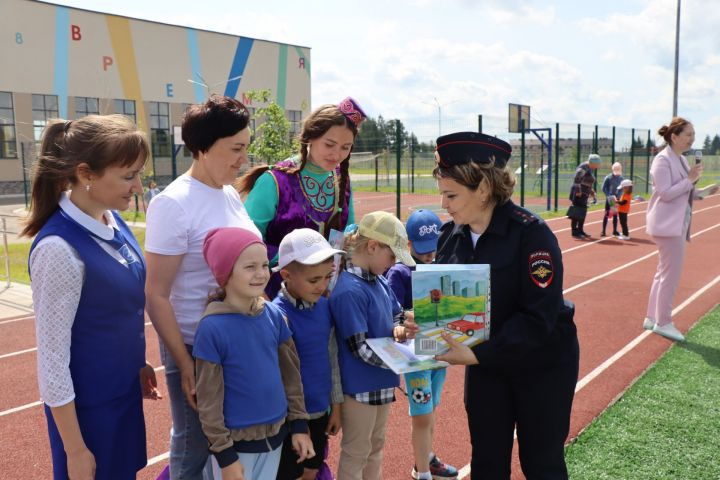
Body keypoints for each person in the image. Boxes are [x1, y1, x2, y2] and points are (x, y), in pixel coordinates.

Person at [431, 132, 580, 479]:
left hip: (542, 364)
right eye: (442, 193)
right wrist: (417, 321)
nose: (444, 204)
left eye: (451, 194)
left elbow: (538, 317)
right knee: (487, 462)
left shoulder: (532, 234)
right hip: (487, 364)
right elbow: (444, 303)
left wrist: (477, 353)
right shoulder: (449, 235)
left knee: (542, 463)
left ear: (483, 189)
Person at [23, 115, 161, 479]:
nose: (138, 185)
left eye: (139, 173)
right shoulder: (59, 250)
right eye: (128, 175)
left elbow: (115, 311)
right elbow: (52, 362)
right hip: (88, 418)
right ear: (86, 174)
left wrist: (137, 363)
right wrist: (75, 449)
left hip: (122, 398)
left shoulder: (112, 219)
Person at [144, 95, 261, 479]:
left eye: (246, 148)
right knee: (194, 445)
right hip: (196, 344)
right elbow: (156, 294)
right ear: (203, 147)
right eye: (235, 149)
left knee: (236, 441)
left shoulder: (227, 192)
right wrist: (184, 363)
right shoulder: (173, 204)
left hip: (242, 336)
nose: (243, 159)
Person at [195, 227, 314, 480]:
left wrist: (300, 426)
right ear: (225, 273)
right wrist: (225, 456)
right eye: (250, 267)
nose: (261, 274)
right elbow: (209, 401)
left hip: (276, 439)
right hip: (236, 451)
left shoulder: (273, 316)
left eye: (264, 265)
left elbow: (292, 378)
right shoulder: (211, 329)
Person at [237, 97, 366, 298]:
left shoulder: (342, 180)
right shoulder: (274, 181)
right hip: (277, 296)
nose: (336, 154)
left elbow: (346, 233)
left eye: (345, 147)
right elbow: (246, 241)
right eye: (329, 144)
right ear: (310, 137)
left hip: (327, 296)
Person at [329, 211, 419, 480]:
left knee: (375, 448)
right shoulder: (348, 289)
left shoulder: (378, 280)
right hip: (359, 389)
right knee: (356, 452)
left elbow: (395, 317)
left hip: (380, 381)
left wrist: (404, 330)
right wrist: (404, 359)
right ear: (372, 247)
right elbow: (359, 347)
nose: (393, 263)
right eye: (392, 256)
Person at [384, 209, 458, 480]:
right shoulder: (400, 273)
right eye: (424, 250)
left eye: (434, 249)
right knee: (422, 414)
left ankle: (425, 458)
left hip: (439, 352)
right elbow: (392, 313)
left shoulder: (442, 267)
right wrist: (410, 317)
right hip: (415, 357)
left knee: (431, 409)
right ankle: (423, 473)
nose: (430, 255)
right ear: (409, 245)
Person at [272, 228, 346, 480]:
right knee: (289, 473)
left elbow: (332, 358)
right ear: (286, 275)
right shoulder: (276, 314)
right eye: (314, 280)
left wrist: (335, 406)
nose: (322, 285)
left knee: (312, 469)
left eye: (327, 277)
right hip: (288, 419)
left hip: (319, 412)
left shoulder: (325, 307)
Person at [643, 117, 719, 342]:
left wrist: (703, 190)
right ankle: (663, 321)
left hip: (675, 223)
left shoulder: (681, 160)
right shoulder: (662, 160)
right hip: (667, 224)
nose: (691, 139)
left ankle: (651, 317)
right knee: (670, 276)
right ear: (674, 137)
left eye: (693, 135)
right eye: (688, 135)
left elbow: (686, 191)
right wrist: (690, 180)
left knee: (662, 273)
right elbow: (666, 193)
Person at [567, 153, 600, 238]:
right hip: (579, 193)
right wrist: (578, 191)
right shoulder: (583, 167)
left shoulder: (590, 168)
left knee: (582, 212)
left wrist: (591, 191)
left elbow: (587, 181)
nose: (597, 166)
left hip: (585, 193)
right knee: (577, 212)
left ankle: (580, 230)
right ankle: (574, 231)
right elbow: (577, 179)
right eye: (597, 164)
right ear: (592, 162)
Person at [601, 162, 624, 237]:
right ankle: (603, 231)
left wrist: (618, 196)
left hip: (616, 199)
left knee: (614, 214)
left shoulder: (621, 178)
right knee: (607, 214)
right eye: (616, 170)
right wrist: (609, 195)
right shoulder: (608, 178)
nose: (617, 173)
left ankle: (614, 230)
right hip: (610, 199)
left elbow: (621, 189)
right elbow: (603, 188)